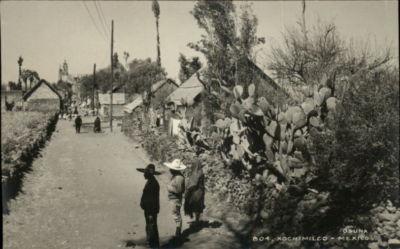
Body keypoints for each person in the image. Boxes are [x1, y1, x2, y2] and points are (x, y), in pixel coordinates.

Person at [137, 164, 161, 249]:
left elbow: (152, 200)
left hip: (151, 210)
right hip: (149, 209)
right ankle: (152, 244)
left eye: (145, 173)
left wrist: (151, 213)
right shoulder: (151, 181)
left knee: (151, 227)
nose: (144, 174)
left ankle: (153, 246)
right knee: (151, 227)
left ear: (148, 174)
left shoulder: (152, 184)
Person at [164, 159, 186, 239]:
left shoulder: (179, 178)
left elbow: (179, 190)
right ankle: (178, 232)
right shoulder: (176, 176)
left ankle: (178, 233)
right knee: (176, 214)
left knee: (176, 215)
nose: (170, 170)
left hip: (175, 199)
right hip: (174, 199)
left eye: (171, 169)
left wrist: (169, 188)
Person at [184, 151, 206, 226]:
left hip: (197, 191)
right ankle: (195, 218)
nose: (191, 166)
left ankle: (196, 221)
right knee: (197, 205)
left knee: (195, 205)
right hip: (199, 190)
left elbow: (194, 182)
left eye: (193, 164)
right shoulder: (200, 171)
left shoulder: (197, 173)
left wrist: (188, 188)